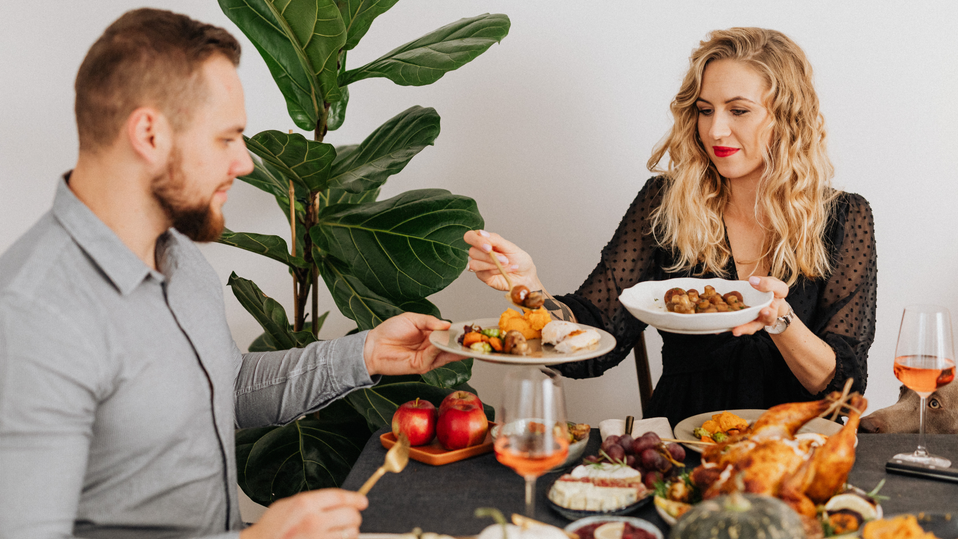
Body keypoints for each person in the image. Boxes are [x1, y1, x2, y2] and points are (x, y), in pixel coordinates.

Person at [0, 9, 464, 539]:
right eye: (226, 139)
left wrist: (364, 354)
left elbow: (226, 385)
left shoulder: (177, 256)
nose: (245, 163)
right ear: (149, 134)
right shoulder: (33, 315)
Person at [464, 28, 877, 427]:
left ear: (788, 119)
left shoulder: (843, 219)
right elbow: (593, 346)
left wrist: (780, 321)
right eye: (704, 109)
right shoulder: (666, 204)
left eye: (738, 110)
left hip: (797, 453)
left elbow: (846, 387)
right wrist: (531, 289)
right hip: (679, 445)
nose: (715, 130)